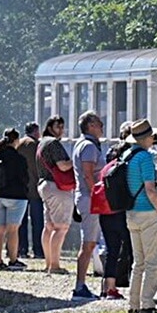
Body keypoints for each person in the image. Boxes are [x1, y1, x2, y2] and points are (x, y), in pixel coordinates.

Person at [124, 119, 157, 313]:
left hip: (131, 213)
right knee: (154, 263)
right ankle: (148, 304)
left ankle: (134, 304)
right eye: (152, 136)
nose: (154, 138)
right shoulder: (145, 158)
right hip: (148, 214)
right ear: (145, 138)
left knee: (138, 262)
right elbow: (150, 189)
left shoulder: (127, 155)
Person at [70, 111, 106, 300]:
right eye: (99, 123)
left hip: (85, 196)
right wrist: (97, 194)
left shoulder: (82, 144)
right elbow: (88, 174)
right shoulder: (89, 147)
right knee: (89, 243)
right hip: (89, 198)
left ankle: (81, 284)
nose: (102, 126)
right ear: (90, 125)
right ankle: (79, 286)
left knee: (90, 242)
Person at [96, 126, 134, 301]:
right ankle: (133, 287)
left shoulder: (106, 168)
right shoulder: (125, 168)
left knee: (112, 251)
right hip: (121, 213)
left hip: (105, 212)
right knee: (130, 250)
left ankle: (107, 288)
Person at [36, 116, 74, 274]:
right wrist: (75, 162)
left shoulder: (42, 143)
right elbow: (63, 166)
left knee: (49, 227)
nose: (61, 131)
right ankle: (55, 265)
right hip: (57, 187)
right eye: (58, 127)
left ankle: (48, 263)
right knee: (61, 228)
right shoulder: (53, 143)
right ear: (50, 127)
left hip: (44, 185)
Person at [0, 129, 30, 271]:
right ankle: (13, 260)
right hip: (17, 196)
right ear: (16, 141)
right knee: (13, 230)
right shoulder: (20, 159)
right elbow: (25, 178)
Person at [16, 122, 46, 260]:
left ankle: (22, 249)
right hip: (34, 188)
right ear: (36, 131)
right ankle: (38, 250)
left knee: (21, 222)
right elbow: (37, 166)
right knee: (37, 221)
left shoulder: (19, 143)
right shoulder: (35, 145)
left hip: (21, 188)